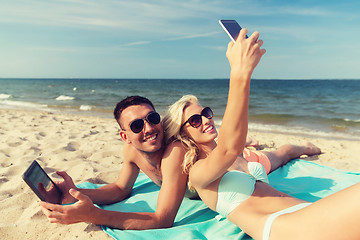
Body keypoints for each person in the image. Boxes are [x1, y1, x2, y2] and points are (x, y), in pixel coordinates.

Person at [162, 28, 360, 240]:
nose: (206, 119)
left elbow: (248, 146)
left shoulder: (238, 157)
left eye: (206, 113)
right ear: (183, 134)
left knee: (284, 153)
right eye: (194, 120)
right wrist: (240, 71)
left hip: (304, 214)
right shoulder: (199, 173)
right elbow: (230, 147)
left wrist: (296, 148)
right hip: (286, 227)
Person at [39, 95, 265, 229]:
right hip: (214, 162)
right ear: (125, 136)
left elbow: (163, 219)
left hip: (229, 166)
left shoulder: (174, 152)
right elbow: (120, 189)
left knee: (271, 159)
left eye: (152, 118)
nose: (149, 129)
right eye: (137, 126)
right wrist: (74, 191)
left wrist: (92, 214)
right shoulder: (131, 151)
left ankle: (298, 147)